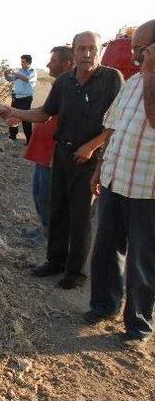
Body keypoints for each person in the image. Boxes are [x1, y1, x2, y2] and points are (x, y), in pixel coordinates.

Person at [0, 32, 123, 289]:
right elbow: (44, 113)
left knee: (80, 217)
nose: (87, 54)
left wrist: (91, 147)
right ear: (74, 51)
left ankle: (75, 273)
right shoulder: (64, 81)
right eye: (81, 49)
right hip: (62, 153)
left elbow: (117, 122)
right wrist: (15, 113)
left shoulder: (111, 78)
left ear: (99, 51)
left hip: (89, 158)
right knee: (57, 210)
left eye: (92, 48)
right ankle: (55, 261)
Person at [85, 19, 155, 347]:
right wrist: (100, 167)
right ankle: (103, 305)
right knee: (106, 249)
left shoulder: (149, 82)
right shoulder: (131, 83)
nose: (136, 57)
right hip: (115, 181)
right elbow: (113, 129)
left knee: (143, 260)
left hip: (147, 191)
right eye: (135, 50)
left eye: (141, 50)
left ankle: (138, 325)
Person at [16, 46, 74, 244]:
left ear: (66, 64)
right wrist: (17, 114)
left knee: (47, 197)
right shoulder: (61, 84)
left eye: (53, 60)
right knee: (39, 194)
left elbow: (43, 114)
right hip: (43, 151)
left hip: (52, 153)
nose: (48, 64)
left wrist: (15, 113)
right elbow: (44, 111)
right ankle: (45, 229)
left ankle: (51, 236)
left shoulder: (71, 87)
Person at [4, 54, 37, 144]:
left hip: (25, 99)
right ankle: (13, 136)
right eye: (21, 62)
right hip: (16, 97)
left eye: (23, 62)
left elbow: (26, 79)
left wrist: (16, 74)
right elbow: (10, 79)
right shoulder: (20, 71)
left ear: (29, 63)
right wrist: (5, 74)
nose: (21, 64)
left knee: (25, 119)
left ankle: (29, 140)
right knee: (12, 116)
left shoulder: (32, 71)